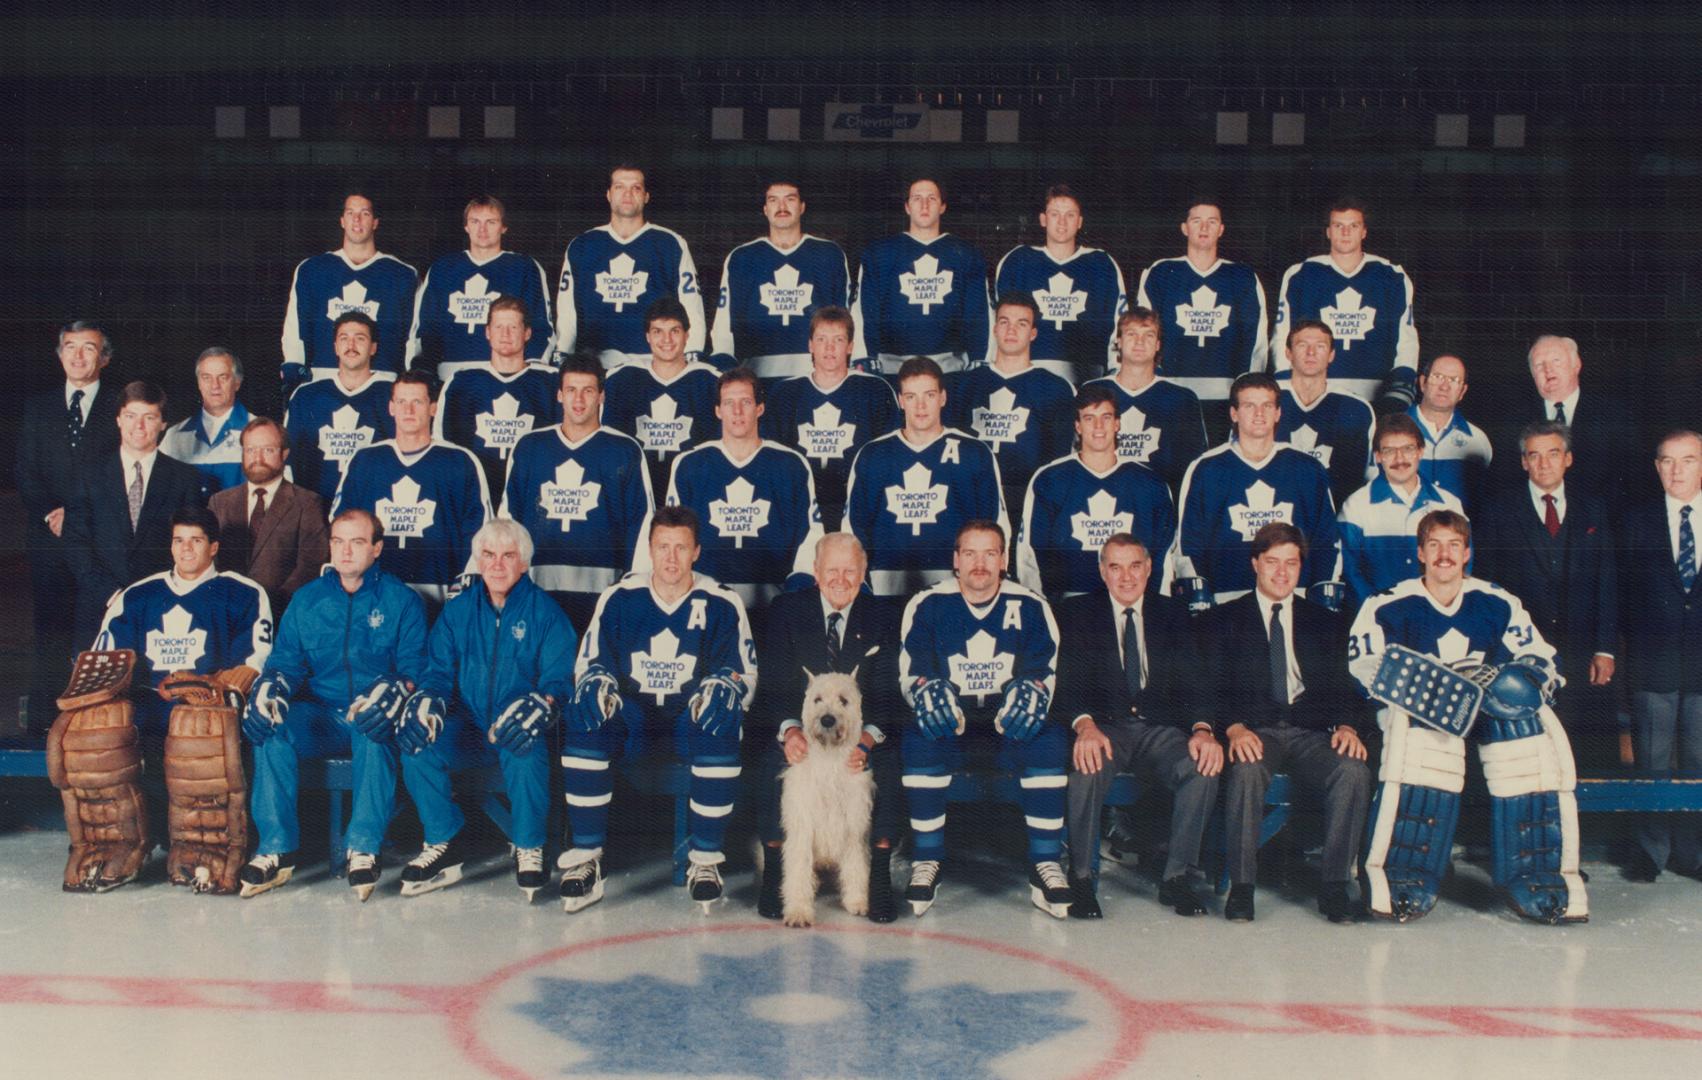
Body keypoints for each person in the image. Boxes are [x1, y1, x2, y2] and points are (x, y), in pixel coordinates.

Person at [1351, 509, 1586, 923]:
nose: (1445, 555)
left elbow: (1541, 658)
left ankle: (1536, 871)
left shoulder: (1496, 600)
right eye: (1435, 546)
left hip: (1485, 712)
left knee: (1526, 733)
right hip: (1419, 715)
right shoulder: (1387, 604)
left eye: (1454, 546)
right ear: (1420, 553)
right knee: (1426, 742)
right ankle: (1403, 870)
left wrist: (1513, 680)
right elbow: (1365, 666)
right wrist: (1438, 690)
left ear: (1467, 553)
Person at [558, 506, 757, 911]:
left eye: (680, 548)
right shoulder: (620, 598)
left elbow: (743, 674)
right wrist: (596, 681)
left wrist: (727, 686)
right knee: (586, 715)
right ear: (649, 549)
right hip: (633, 719)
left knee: (721, 717)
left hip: (689, 722)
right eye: (662, 547)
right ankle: (587, 859)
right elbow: (589, 663)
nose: (671, 558)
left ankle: (704, 860)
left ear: (696, 551)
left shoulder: (722, 601)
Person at [239, 508, 427, 899]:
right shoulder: (308, 600)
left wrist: (397, 691)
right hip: (321, 715)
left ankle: (363, 847)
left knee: (374, 727)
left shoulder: (402, 600)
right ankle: (276, 848)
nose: (345, 552)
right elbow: (286, 663)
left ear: (376, 548)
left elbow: (415, 669)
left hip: (371, 712)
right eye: (338, 542)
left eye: (357, 542)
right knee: (273, 728)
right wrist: (272, 688)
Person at [393, 520, 577, 901]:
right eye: (488, 555)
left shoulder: (547, 614)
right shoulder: (457, 612)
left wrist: (542, 705)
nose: (497, 565)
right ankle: (443, 840)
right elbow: (438, 673)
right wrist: (430, 702)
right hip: (469, 727)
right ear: (477, 560)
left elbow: (559, 680)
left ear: (524, 563)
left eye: (508, 556)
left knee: (524, 745)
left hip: (516, 728)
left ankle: (529, 847)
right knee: (417, 741)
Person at [90, 507, 273, 889]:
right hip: (148, 698)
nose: (186, 549)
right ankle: (117, 844)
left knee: (197, 728)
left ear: (214, 547)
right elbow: (106, 658)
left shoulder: (242, 592)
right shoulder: (139, 594)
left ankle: (204, 848)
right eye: (178, 541)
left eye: (196, 541)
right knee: (95, 731)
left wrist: (210, 687)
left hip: (206, 703)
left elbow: (254, 660)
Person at [898, 520, 1071, 917]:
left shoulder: (1030, 605)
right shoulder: (928, 604)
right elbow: (913, 669)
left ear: (1004, 559)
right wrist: (927, 689)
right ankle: (927, 858)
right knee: (921, 734)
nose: (980, 564)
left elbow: (1045, 671)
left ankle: (1044, 862)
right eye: (970, 554)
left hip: (1008, 721)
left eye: (990, 553)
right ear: (955, 560)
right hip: (953, 721)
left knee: (1047, 738)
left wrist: (1032, 691)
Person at [1209, 523, 1370, 923]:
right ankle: (1243, 887)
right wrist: (1233, 729)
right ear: (1255, 564)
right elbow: (1211, 688)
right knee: (1246, 771)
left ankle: (1334, 886)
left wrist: (1348, 727)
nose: (1282, 573)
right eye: (1272, 563)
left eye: (1291, 564)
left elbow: (1347, 689)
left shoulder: (1326, 622)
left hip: (1311, 733)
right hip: (1255, 732)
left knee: (1353, 771)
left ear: (1301, 568)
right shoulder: (1224, 621)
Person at [1060, 533, 1221, 919]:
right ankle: (1082, 879)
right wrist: (1084, 726)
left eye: (1135, 566)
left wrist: (1203, 730)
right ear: (1102, 572)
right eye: (1115, 567)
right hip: (1106, 728)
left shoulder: (1175, 613)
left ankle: (1178, 879)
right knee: (1086, 767)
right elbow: (1066, 683)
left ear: (1150, 569)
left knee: (1202, 768)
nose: (1126, 577)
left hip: (1160, 730)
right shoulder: (1077, 614)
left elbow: (1197, 680)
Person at [753, 532, 904, 923]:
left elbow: (888, 692)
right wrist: (790, 732)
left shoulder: (883, 616)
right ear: (816, 573)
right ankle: (776, 870)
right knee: (772, 766)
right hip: (802, 733)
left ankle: (877, 876)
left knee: (887, 768)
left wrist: (867, 741)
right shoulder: (787, 610)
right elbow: (773, 683)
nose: (840, 579)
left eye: (850, 570)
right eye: (831, 570)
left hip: (861, 734)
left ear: (863, 572)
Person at [1474, 421, 1618, 769]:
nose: (1543, 464)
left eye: (1552, 454)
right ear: (1523, 461)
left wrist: (1604, 648)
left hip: (1583, 651)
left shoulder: (1593, 509)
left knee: (1587, 750)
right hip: (1522, 654)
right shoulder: (1499, 511)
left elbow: (1607, 581)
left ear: (1567, 458)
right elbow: (1488, 588)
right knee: (1528, 751)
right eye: (1533, 456)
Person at [637, 368, 822, 630]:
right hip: (705, 606)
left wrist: (793, 600)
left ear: (759, 408)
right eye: (728, 403)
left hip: (775, 608)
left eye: (745, 402)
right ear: (717, 410)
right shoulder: (690, 464)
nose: (737, 412)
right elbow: (672, 536)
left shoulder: (791, 464)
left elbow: (811, 540)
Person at [16, 319, 121, 735]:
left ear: (105, 358)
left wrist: (78, 517)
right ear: (59, 355)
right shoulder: (38, 407)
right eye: (71, 347)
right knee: (51, 628)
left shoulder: (119, 405)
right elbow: (26, 471)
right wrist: (51, 512)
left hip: (100, 537)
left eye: (90, 348)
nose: (79, 356)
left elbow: (119, 469)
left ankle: (96, 721)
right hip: (49, 538)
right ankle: (46, 723)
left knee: (97, 627)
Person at [502, 352, 652, 633]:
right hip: (537, 593)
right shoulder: (530, 446)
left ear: (601, 396)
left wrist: (632, 591)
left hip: (603, 596)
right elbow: (508, 521)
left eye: (588, 391)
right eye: (571, 390)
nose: (579, 400)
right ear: (559, 395)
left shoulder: (625, 450)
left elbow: (642, 524)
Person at [1168, 373, 1339, 605]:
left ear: (1278, 412)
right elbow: (1189, 544)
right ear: (1234, 413)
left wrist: (1318, 599)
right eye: (1249, 406)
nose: (1259, 414)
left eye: (1267, 406)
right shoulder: (1206, 469)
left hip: (1293, 601)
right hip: (1226, 603)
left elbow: (1326, 540)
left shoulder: (1306, 468)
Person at [845, 356, 1008, 597]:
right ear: (901, 401)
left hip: (956, 589)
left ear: (943, 397)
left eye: (929, 395)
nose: (920, 406)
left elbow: (995, 526)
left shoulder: (974, 453)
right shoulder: (873, 454)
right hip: (885, 586)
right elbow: (853, 529)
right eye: (911, 397)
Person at [1617, 430, 1702, 882]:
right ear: (1656, 467)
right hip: (1653, 661)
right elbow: (1621, 594)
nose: (1676, 470)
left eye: (1687, 460)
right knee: (1650, 759)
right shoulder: (1637, 521)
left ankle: (1692, 853)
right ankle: (1651, 850)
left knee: (1698, 761)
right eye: (1667, 461)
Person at [63, 380, 207, 647]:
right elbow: (75, 543)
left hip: (164, 608)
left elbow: (191, 546)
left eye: (149, 417)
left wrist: (160, 594)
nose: (138, 426)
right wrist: (111, 593)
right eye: (130, 416)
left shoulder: (184, 478)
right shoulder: (88, 476)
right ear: (118, 419)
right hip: (99, 607)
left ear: (163, 423)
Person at [332, 371, 492, 609]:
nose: (408, 411)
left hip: (439, 595)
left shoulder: (460, 461)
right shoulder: (365, 460)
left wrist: (460, 592)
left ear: (433, 408)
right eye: (401, 402)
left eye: (417, 402)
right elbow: (342, 523)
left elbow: (481, 533)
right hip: (374, 593)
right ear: (391, 407)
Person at [1017, 384, 1175, 600]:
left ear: (1118, 423)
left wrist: (1155, 606)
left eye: (1106, 417)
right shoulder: (1050, 479)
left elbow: (1163, 556)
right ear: (1078, 426)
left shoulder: (1150, 483)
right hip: (1069, 605)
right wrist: (1042, 607)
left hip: (1132, 604)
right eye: (1089, 418)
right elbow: (1031, 555)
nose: (1098, 426)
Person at [1135, 200, 1269, 437]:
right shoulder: (1162, 273)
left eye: (1212, 221)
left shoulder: (1242, 277)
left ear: (1221, 229)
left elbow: (1255, 341)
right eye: (1197, 221)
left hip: (1225, 397)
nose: (1204, 228)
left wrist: (1245, 395)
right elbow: (1142, 334)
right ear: (1185, 228)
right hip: (1172, 393)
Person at [1271, 199, 1417, 409]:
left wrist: (1400, 388)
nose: (1345, 233)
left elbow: (1407, 340)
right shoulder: (1301, 274)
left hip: (1377, 394)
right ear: (1328, 231)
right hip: (1313, 393)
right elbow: (1283, 335)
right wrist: (1287, 385)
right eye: (1338, 226)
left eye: (1353, 226)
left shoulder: (1391, 276)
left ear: (1364, 231)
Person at [556, 165, 707, 367]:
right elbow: (568, 309)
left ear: (646, 196)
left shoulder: (669, 243)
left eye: (636, 188)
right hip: (595, 363)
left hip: (653, 362)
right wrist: (563, 353)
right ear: (609, 194)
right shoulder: (583, 245)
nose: (627, 194)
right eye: (619, 187)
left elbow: (691, 304)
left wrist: (692, 354)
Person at [762, 306, 897, 531]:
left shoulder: (875, 390)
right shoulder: (785, 393)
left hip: (858, 506)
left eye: (838, 339)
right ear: (810, 345)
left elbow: (890, 457)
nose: (829, 347)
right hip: (800, 508)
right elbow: (771, 460)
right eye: (821, 339)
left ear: (851, 346)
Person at [946, 292, 1076, 518]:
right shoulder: (963, 385)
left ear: (1033, 333)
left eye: (1021, 324)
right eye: (1004, 322)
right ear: (994, 329)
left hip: (1030, 499)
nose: (1011, 330)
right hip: (971, 497)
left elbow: (1059, 462)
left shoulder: (1056, 388)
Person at [709, 180, 851, 378]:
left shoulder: (829, 254)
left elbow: (846, 317)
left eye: (790, 199)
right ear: (765, 209)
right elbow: (724, 321)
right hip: (756, 377)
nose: (782, 207)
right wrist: (723, 359)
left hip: (816, 376)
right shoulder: (742, 257)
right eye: (774, 200)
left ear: (802, 206)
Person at [851, 177, 991, 376]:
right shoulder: (880, 253)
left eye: (932, 198)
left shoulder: (966, 254)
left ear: (942, 206)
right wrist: (864, 355)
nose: (924, 205)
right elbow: (865, 311)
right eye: (917, 198)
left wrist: (980, 358)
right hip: (891, 368)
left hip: (949, 369)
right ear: (907, 207)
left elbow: (978, 313)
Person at [407, 194, 554, 380]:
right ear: (466, 226)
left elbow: (541, 327)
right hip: (450, 375)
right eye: (475, 221)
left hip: (507, 373)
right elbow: (424, 328)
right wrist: (422, 372)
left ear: (504, 227)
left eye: (491, 222)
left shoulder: (524, 267)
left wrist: (531, 372)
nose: (482, 229)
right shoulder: (443, 268)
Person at [281, 192, 418, 393]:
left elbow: (413, 334)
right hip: (324, 378)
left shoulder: (402, 274)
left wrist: (410, 378)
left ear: (375, 222)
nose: (357, 219)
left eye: (365, 213)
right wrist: (295, 370)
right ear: (342, 220)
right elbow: (295, 328)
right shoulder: (312, 270)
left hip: (383, 382)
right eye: (350, 212)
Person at [991, 184, 1126, 384]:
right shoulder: (1017, 261)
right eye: (1055, 214)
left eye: (1070, 215)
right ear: (1043, 219)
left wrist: (1117, 372)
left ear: (1080, 222)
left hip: (1087, 378)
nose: (1062, 222)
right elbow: (996, 322)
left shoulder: (1101, 264)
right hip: (1027, 375)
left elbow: (1118, 323)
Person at [432, 296, 561, 496]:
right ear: (487, 332)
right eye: (499, 327)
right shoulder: (462, 382)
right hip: (475, 490)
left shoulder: (550, 382)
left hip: (532, 491)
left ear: (527, 333)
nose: (505, 334)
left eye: (513, 327)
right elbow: (444, 445)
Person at [1337, 412, 1464, 611]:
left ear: (1421, 451)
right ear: (1377, 457)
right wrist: (1378, 612)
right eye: (1389, 451)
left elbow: (1463, 564)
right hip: (1376, 619)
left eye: (1408, 449)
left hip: (1435, 615)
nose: (1400, 459)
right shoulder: (1355, 506)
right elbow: (1350, 571)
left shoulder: (1449, 504)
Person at [602, 296, 723, 503]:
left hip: (693, 493)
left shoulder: (711, 381)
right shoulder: (622, 380)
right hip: (636, 493)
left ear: (687, 335)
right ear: (647, 336)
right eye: (658, 331)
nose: (666, 340)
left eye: (674, 331)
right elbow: (610, 448)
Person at [1081, 307, 1208, 498]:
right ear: (1118, 341)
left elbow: (1194, 467)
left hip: (1157, 505)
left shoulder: (1182, 398)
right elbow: (1075, 456)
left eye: (1148, 335)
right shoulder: (1092, 391)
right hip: (1097, 499)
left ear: (1158, 344)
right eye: (1132, 334)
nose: (1139, 342)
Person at [208, 417, 329, 616]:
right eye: (250, 450)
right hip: (225, 612)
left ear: (284, 454)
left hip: (284, 613)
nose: (258, 458)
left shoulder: (308, 503)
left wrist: (269, 606)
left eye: (268, 450)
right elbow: (211, 560)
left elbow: (311, 564)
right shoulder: (220, 503)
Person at [1509, 334, 1641, 508]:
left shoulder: (1614, 414)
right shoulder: (1516, 421)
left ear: (1576, 365)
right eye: (1539, 365)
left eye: (1556, 361)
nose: (1548, 370)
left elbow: (1632, 479)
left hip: (1602, 523)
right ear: (1533, 375)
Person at [282, 311, 396, 502]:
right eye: (344, 338)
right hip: (314, 508)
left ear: (373, 348)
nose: (351, 346)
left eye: (360, 338)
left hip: (371, 508)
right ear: (335, 347)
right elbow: (288, 458)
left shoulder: (393, 394)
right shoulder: (306, 396)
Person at [1273, 321, 1375, 508]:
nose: (1311, 352)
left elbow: (1368, 478)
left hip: (1333, 517)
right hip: (1275, 516)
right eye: (1302, 345)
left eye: (1320, 346)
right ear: (1288, 353)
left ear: (1331, 355)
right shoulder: (1265, 399)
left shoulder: (1356, 408)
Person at [159, 347, 252, 494]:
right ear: (199, 383)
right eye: (206, 377)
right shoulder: (174, 437)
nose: (215, 386)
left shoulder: (260, 433)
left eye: (223, 377)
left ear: (237, 382)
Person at [1407, 353, 1492, 512]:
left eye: (1454, 380)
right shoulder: (1388, 432)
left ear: (1462, 391)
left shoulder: (1478, 441)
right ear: (1423, 382)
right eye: (1437, 376)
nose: (1444, 386)